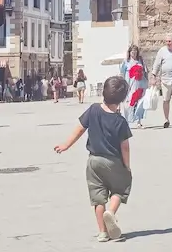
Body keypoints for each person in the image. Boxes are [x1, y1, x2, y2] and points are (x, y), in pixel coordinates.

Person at [55, 75, 132, 243]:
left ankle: (102, 233)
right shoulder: (120, 121)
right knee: (121, 188)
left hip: (93, 161)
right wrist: (127, 166)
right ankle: (110, 213)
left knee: (98, 197)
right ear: (122, 98)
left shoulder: (93, 109)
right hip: (114, 161)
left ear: (103, 92)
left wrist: (66, 145)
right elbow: (125, 147)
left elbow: (80, 129)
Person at [120, 45, 148, 128]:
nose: (134, 53)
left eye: (135, 51)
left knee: (140, 103)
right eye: (132, 51)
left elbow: (145, 71)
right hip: (130, 84)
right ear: (129, 52)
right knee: (129, 103)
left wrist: (148, 82)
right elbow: (122, 73)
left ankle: (139, 121)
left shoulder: (141, 61)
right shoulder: (126, 62)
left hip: (140, 84)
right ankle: (128, 120)